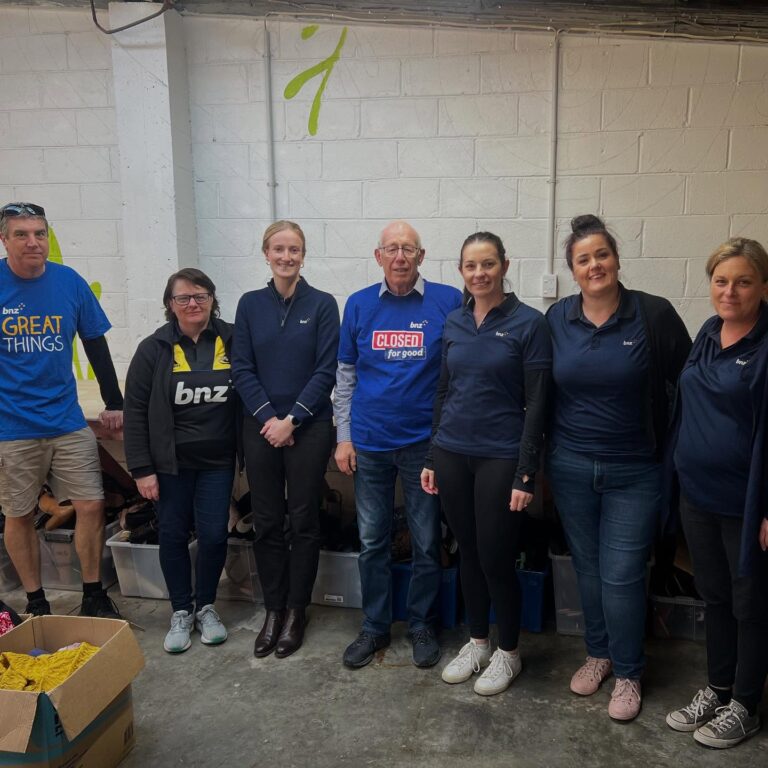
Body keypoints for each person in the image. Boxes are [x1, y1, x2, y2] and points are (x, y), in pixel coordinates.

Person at [545, 214, 691, 721]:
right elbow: (541, 390)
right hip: (570, 467)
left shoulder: (653, 315)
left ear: (617, 259)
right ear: (572, 269)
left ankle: (629, 671)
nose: (594, 265)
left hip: (636, 470)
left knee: (623, 573)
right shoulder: (557, 319)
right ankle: (599, 654)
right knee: (587, 569)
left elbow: (689, 385)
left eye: (601, 255)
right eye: (583, 259)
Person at [421, 232, 551, 695]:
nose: (480, 273)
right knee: (468, 553)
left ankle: (509, 652)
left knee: (496, 556)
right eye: (471, 266)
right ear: (462, 271)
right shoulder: (454, 321)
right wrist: (433, 454)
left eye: (488, 264)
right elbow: (443, 391)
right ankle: (478, 642)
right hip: (452, 453)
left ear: (504, 266)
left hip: (500, 455)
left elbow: (538, 404)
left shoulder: (529, 323)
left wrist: (525, 472)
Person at [335, 220, 462, 670]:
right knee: (372, 540)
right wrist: (343, 437)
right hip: (369, 444)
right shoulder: (358, 304)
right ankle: (374, 626)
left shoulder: (448, 300)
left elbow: (460, 371)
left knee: (427, 541)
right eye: (392, 249)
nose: (400, 257)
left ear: (421, 256)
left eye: (409, 249)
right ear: (378, 256)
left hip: (424, 448)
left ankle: (422, 624)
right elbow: (345, 376)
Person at [665, 237, 768, 748]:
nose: (730, 291)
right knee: (716, 597)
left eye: (743, 282)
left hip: (746, 505)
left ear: (763, 286)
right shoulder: (709, 331)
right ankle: (719, 688)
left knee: (752, 604)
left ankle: (746, 705)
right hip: (698, 497)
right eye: (721, 281)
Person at [0, 202, 123, 618]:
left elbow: (95, 342)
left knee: (91, 505)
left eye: (39, 233)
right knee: (18, 514)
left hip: (66, 420)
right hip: (11, 427)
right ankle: (37, 601)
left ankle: (93, 594)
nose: (33, 242)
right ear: (4, 240)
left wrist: (114, 401)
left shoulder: (68, 282)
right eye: (21, 234)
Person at [232, 221, 339, 659]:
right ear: (266, 253)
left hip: (309, 427)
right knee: (268, 521)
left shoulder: (323, 304)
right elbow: (241, 368)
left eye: (294, 249)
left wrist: (291, 420)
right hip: (260, 428)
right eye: (278, 249)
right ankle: (273, 609)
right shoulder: (250, 304)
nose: (286, 257)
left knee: (304, 519)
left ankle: (297, 610)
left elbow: (326, 371)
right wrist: (270, 420)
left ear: (303, 255)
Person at [124, 268, 236, 653]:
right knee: (172, 534)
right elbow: (135, 412)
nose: (192, 304)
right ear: (170, 304)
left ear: (212, 300)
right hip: (170, 465)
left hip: (218, 462)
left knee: (214, 534)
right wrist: (142, 469)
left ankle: (206, 606)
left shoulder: (233, 339)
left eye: (200, 296)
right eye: (183, 297)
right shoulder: (153, 349)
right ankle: (181, 611)